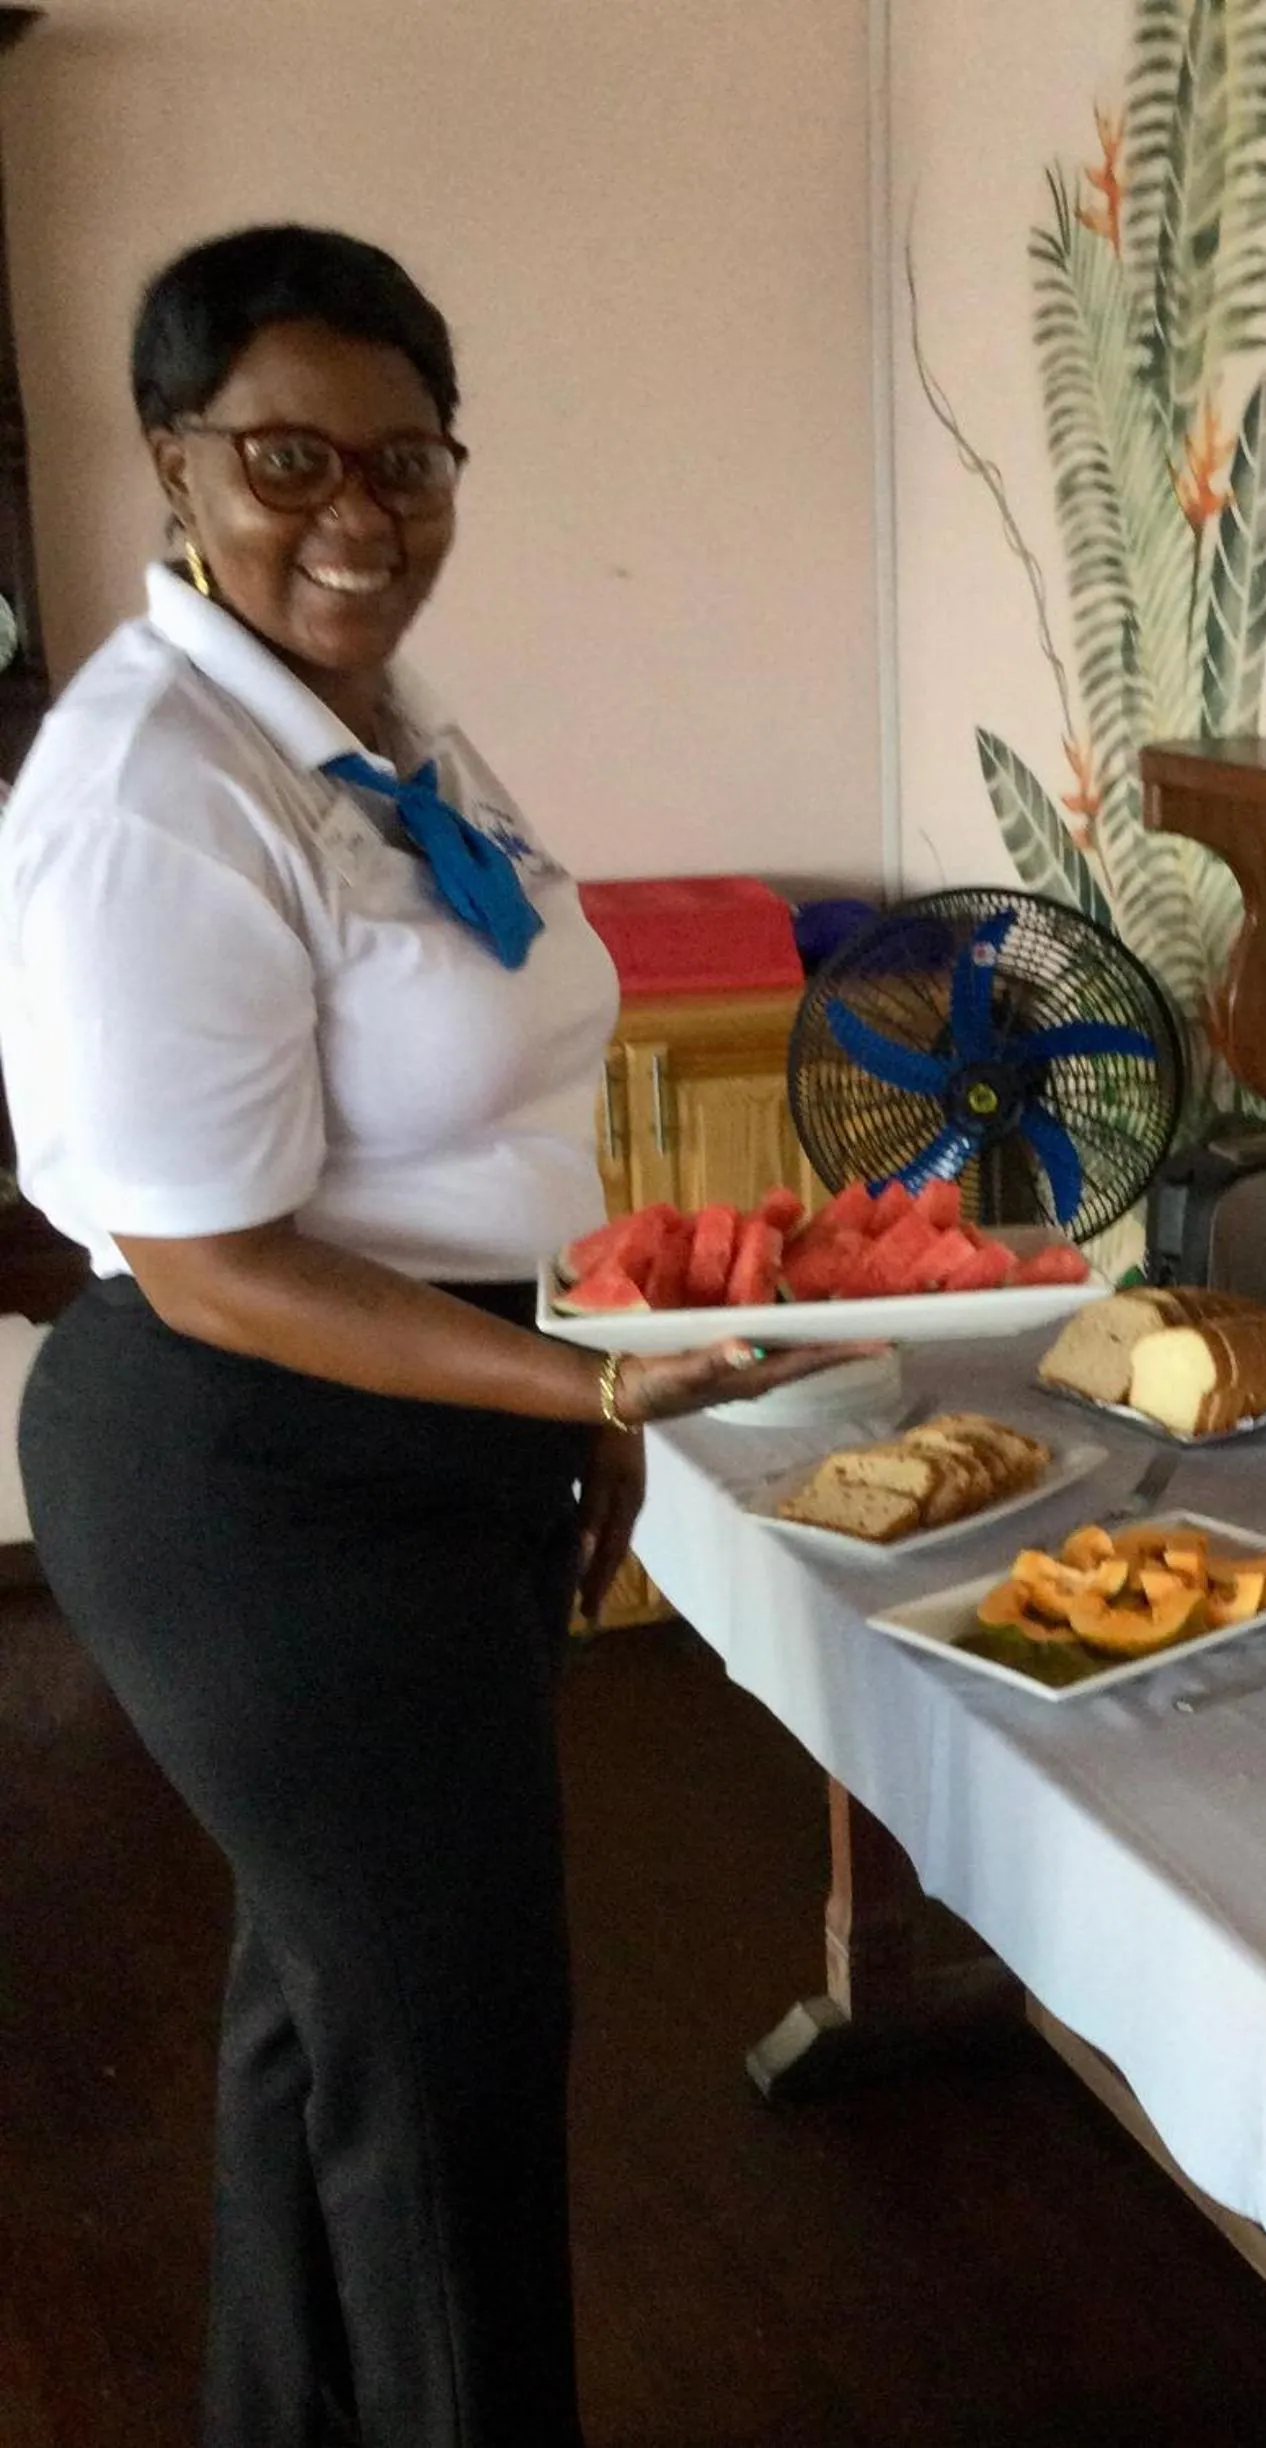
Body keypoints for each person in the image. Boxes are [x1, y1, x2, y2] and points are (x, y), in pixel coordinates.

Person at [0, 225, 861, 2447]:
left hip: (445, 1421)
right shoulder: (153, 788)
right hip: (251, 1462)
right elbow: (213, 1261)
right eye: (289, 457)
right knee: (450, 2054)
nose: (359, 517)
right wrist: (577, 1382)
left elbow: (482, 1107)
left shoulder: (381, 728)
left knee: (331, 2007)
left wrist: (572, 1393)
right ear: (172, 458)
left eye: (408, 459)